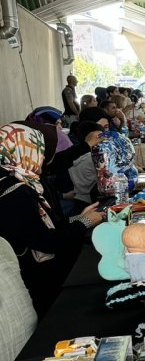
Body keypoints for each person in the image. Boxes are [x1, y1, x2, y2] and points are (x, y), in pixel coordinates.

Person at [0, 123, 105, 315]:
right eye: (38, 149)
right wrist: (85, 222)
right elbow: (46, 242)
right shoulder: (16, 193)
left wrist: (78, 218)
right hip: (38, 283)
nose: (42, 156)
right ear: (26, 149)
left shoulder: (20, 180)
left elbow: (43, 228)